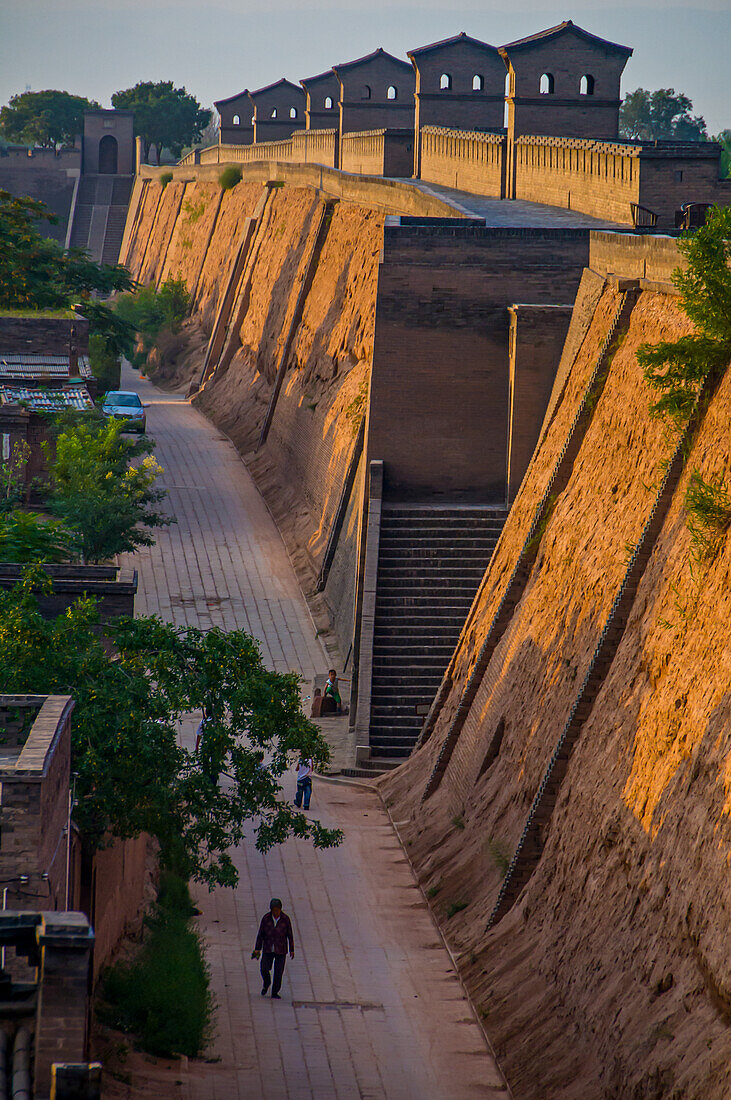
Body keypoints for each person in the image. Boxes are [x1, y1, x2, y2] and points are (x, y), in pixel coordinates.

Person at [252, 898, 294, 999]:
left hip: (281, 949)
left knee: (278, 972)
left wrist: (292, 949)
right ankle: (266, 983)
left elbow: (290, 935)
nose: (275, 912)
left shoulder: (285, 919)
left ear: (280, 909)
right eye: (273, 910)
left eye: (277, 910)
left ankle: (275, 992)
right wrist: (257, 948)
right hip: (268, 948)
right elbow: (261, 934)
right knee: (264, 968)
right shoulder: (266, 919)